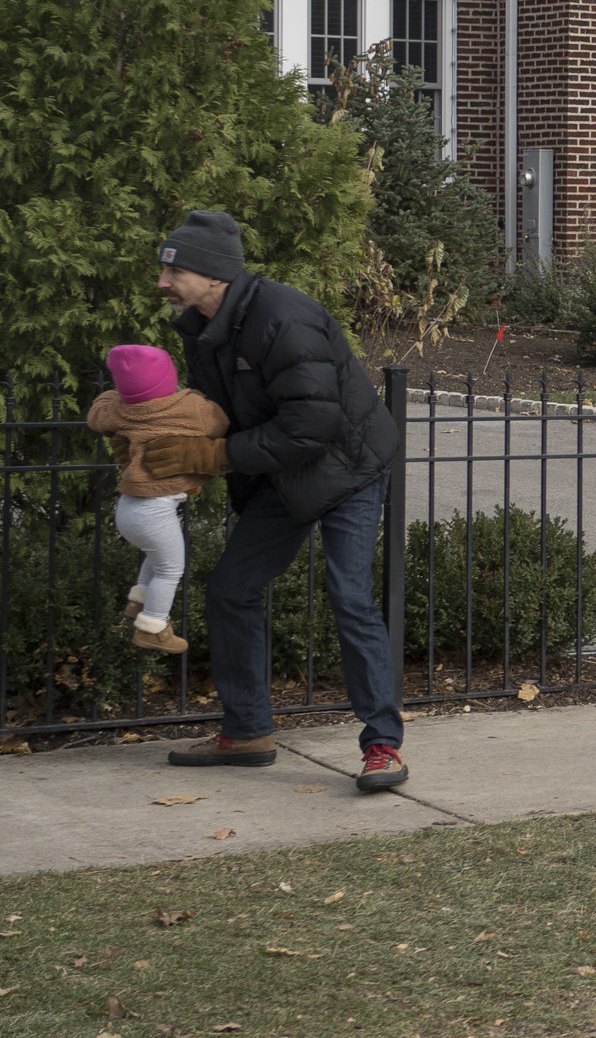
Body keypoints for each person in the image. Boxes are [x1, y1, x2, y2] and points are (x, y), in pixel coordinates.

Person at [139, 209, 407, 788]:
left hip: (348, 467)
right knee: (232, 589)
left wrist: (216, 457)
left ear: (215, 276)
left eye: (175, 271)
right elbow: (219, 413)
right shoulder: (205, 326)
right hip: (286, 474)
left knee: (349, 596)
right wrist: (155, 440)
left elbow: (312, 423)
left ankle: (383, 746)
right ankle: (247, 732)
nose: (163, 282)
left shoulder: (283, 319)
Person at [85, 342, 228, 656]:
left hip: (128, 510)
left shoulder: (119, 410)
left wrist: (119, 393)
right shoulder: (188, 408)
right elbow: (219, 422)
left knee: (156, 557)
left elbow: (97, 414)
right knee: (170, 569)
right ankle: (154, 626)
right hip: (155, 511)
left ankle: (137, 603)